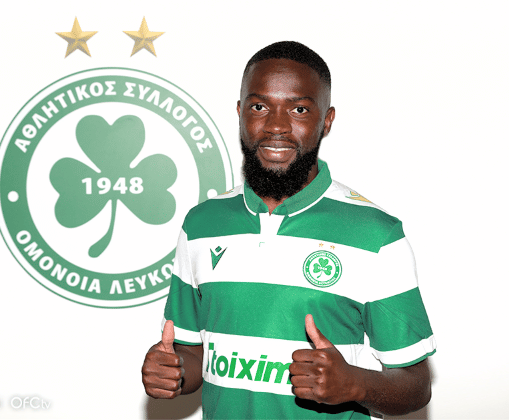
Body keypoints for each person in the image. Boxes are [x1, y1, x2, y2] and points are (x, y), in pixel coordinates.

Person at [141, 41, 436, 419]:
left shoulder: (376, 235)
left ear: (326, 120)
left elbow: (416, 386)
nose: (277, 126)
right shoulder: (201, 224)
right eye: (259, 107)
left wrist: (356, 384)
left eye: (299, 109)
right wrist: (175, 371)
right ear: (240, 113)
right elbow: (192, 352)